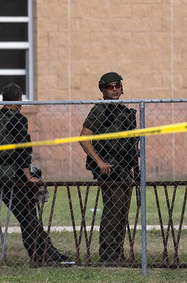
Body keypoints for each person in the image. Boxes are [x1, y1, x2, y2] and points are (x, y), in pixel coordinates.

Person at [0, 83, 73, 266]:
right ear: (19, 100)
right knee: (28, 217)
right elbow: (22, 151)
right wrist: (28, 175)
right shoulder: (17, 119)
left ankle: (45, 253)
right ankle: (43, 255)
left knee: (27, 217)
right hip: (12, 178)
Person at [79, 72, 139, 264]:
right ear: (103, 89)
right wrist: (99, 162)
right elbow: (84, 137)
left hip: (122, 167)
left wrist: (130, 167)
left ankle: (117, 253)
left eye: (117, 86)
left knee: (121, 212)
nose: (114, 89)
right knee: (113, 210)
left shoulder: (124, 111)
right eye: (110, 86)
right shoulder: (100, 110)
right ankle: (108, 255)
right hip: (108, 167)